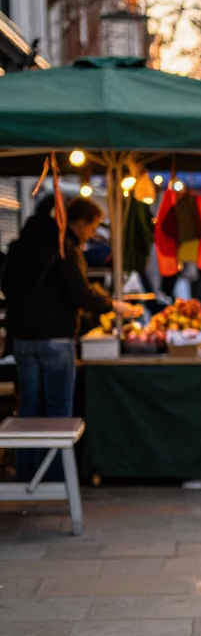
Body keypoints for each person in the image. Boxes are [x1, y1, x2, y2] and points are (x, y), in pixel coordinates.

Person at [2, 196, 141, 481]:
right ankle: (54, 477)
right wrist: (114, 305)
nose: (91, 234)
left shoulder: (25, 244)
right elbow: (79, 293)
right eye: (90, 228)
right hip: (56, 340)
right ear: (78, 223)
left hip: (23, 339)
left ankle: (27, 475)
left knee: (29, 406)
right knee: (57, 410)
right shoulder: (64, 247)